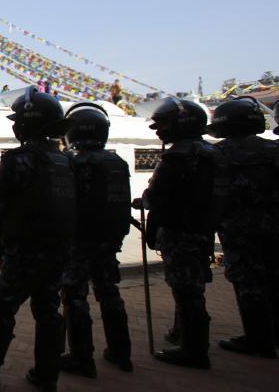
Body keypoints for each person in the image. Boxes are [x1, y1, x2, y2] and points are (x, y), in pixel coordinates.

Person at [0, 87, 75, 392]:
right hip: (59, 250)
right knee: (48, 310)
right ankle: (47, 374)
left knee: (1, 307)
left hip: (25, 250)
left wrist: (5, 235)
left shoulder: (17, 160)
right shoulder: (66, 162)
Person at [133, 97, 227, 369]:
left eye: (163, 125)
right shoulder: (214, 153)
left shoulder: (178, 155)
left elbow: (159, 194)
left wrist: (144, 201)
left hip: (179, 231)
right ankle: (185, 336)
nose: (159, 131)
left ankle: (194, 349)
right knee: (193, 287)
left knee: (186, 291)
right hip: (203, 229)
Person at [58, 103, 133, 377]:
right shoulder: (117, 162)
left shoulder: (70, 161)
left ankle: (81, 356)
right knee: (110, 293)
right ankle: (121, 352)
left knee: (75, 297)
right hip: (109, 239)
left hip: (79, 241)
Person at [207, 97, 278, 357]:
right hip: (273, 226)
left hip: (237, 230)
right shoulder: (274, 150)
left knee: (248, 283)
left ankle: (257, 339)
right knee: (273, 278)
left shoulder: (216, 154)